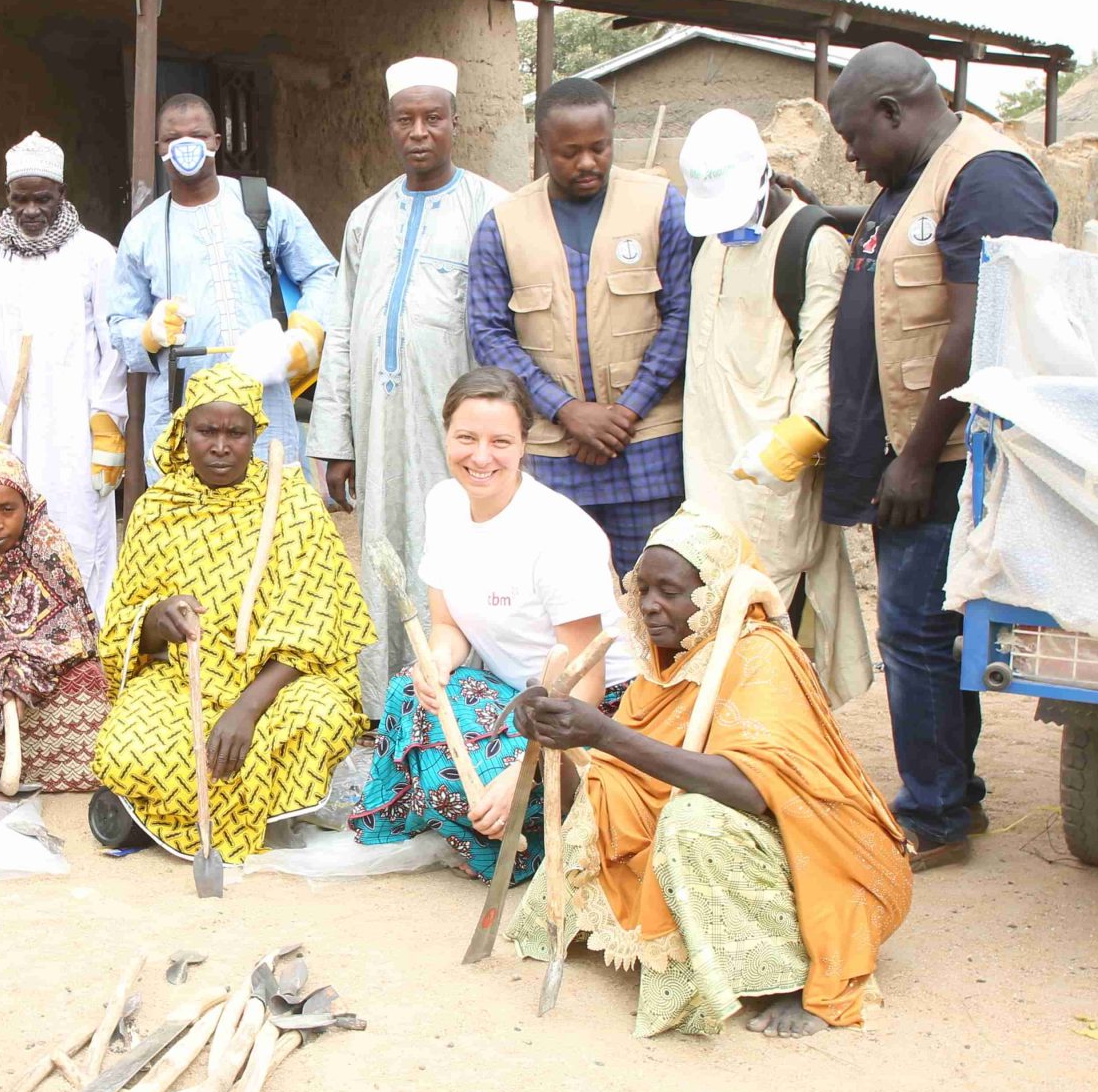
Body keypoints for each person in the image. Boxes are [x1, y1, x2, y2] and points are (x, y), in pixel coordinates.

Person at [506, 506, 912, 1039]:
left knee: (694, 820)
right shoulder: (665, 664)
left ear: (715, 593)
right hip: (744, 835)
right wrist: (549, 735)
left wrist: (605, 735)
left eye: (670, 592)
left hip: (823, 858)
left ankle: (790, 974)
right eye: (642, 588)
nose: (649, 605)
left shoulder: (762, 656)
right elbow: (612, 782)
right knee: (612, 784)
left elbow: (751, 790)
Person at [824, 44, 1057, 868]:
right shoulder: (910, 183)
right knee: (925, 634)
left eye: (854, 138)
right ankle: (954, 795)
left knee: (917, 635)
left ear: (894, 112)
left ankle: (931, 816)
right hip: (909, 449)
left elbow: (978, 324)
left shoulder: (986, 174)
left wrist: (918, 456)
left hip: (949, 455)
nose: (851, 158)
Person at [350, 368, 635, 881]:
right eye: (466, 438)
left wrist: (518, 770)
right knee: (408, 693)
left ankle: (536, 832)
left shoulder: (558, 534)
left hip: (590, 714)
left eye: (500, 441)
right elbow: (448, 626)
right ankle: (448, 815)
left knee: (479, 790)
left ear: (525, 444)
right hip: (514, 696)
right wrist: (437, 662)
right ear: (446, 436)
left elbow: (584, 687)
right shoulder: (445, 504)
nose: (480, 457)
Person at [90, 356, 375, 864]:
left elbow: (321, 625)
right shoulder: (157, 509)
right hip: (185, 680)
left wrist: (246, 709)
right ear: (183, 431)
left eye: (236, 433)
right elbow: (121, 633)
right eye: (206, 431)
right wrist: (158, 620)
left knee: (320, 714)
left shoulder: (291, 502)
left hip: (278, 683)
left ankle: (162, 817)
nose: (220, 447)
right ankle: (220, 815)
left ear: (256, 434)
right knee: (125, 747)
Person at [310, 58, 511, 716]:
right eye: (406, 119)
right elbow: (340, 329)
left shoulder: (492, 209)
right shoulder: (366, 218)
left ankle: (463, 700)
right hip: (377, 424)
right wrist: (337, 436)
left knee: (459, 553)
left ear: (455, 122)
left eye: (433, 118)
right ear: (391, 126)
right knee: (386, 555)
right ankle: (387, 706)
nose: (419, 132)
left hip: (457, 429)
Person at [673, 108, 873, 707]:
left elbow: (825, 365)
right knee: (709, 614)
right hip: (705, 473)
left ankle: (777, 752)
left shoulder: (813, 248)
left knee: (770, 621)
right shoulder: (712, 239)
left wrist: (795, 440)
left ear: (765, 180)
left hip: (771, 479)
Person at [469, 77, 693, 573]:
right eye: (570, 152)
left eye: (600, 147)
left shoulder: (661, 205)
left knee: (655, 606)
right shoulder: (501, 224)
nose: (588, 162)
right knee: (562, 607)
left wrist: (625, 413)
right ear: (542, 147)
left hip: (648, 448)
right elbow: (488, 334)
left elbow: (682, 318)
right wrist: (568, 411)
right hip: (554, 452)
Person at [107, 93, 338, 503]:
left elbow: (323, 273)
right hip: (180, 415)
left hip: (264, 406)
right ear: (159, 149)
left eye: (196, 135)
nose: (185, 145)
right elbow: (119, 322)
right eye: (172, 138)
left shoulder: (262, 205)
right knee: (187, 537)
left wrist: (303, 339)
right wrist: (148, 334)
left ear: (215, 141)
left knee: (274, 521)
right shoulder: (141, 232)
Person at [0, 132, 128, 613]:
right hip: (16, 432)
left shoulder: (95, 254)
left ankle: (88, 651)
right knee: (17, 540)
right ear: (7, 197)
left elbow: (115, 347)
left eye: (42, 198)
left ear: (62, 195)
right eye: (20, 199)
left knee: (81, 534)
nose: (30, 210)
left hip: (76, 432)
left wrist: (107, 424)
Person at [0, 445, 112, 792]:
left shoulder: (46, 541)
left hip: (47, 652)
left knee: (90, 677)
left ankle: (55, 769)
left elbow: (71, 623)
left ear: (27, 506)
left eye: (8, 509)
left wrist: (23, 658)